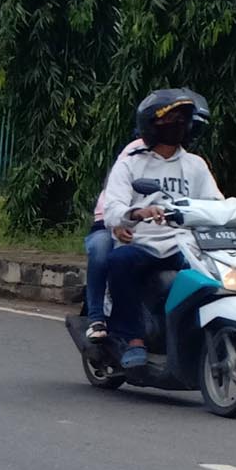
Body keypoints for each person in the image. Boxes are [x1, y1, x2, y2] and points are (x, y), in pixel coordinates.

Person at [94, 88, 226, 371]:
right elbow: (113, 209)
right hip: (144, 244)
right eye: (171, 119)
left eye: (183, 119)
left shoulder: (196, 165)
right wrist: (137, 213)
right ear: (151, 124)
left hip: (185, 245)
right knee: (119, 261)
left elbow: (216, 205)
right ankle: (131, 339)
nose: (178, 124)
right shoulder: (131, 163)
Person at [83, 136, 145, 342]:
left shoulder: (189, 161)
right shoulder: (134, 151)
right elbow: (115, 197)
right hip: (109, 222)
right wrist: (119, 222)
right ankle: (96, 319)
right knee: (101, 250)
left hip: (152, 228)